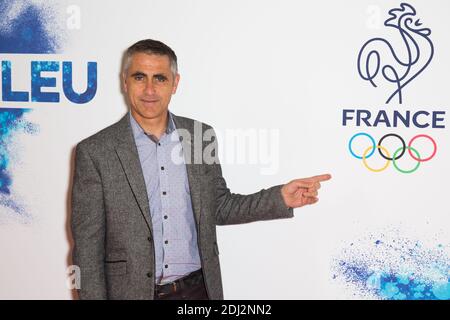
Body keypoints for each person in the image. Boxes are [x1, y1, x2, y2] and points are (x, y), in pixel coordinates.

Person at [71, 39, 331, 300]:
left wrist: (280, 197)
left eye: (160, 78)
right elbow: (87, 248)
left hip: (197, 292)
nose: (149, 89)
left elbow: (219, 206)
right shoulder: (95, 151)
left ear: (175, 83)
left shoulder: (198, 136)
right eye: (140, 77)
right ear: (124, 81)